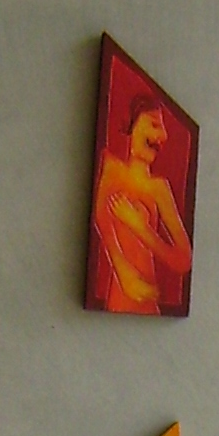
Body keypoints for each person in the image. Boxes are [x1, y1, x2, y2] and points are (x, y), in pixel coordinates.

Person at [89, 97, 192, 313]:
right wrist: (123, 272)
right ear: (132, 125)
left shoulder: (159, 188)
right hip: (119, 298)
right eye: (154, 124)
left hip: (148, 301)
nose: (163, 136)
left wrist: (140, 228)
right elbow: (101, 218)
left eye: (163, 128)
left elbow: (183, 260)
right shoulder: (112, 167)